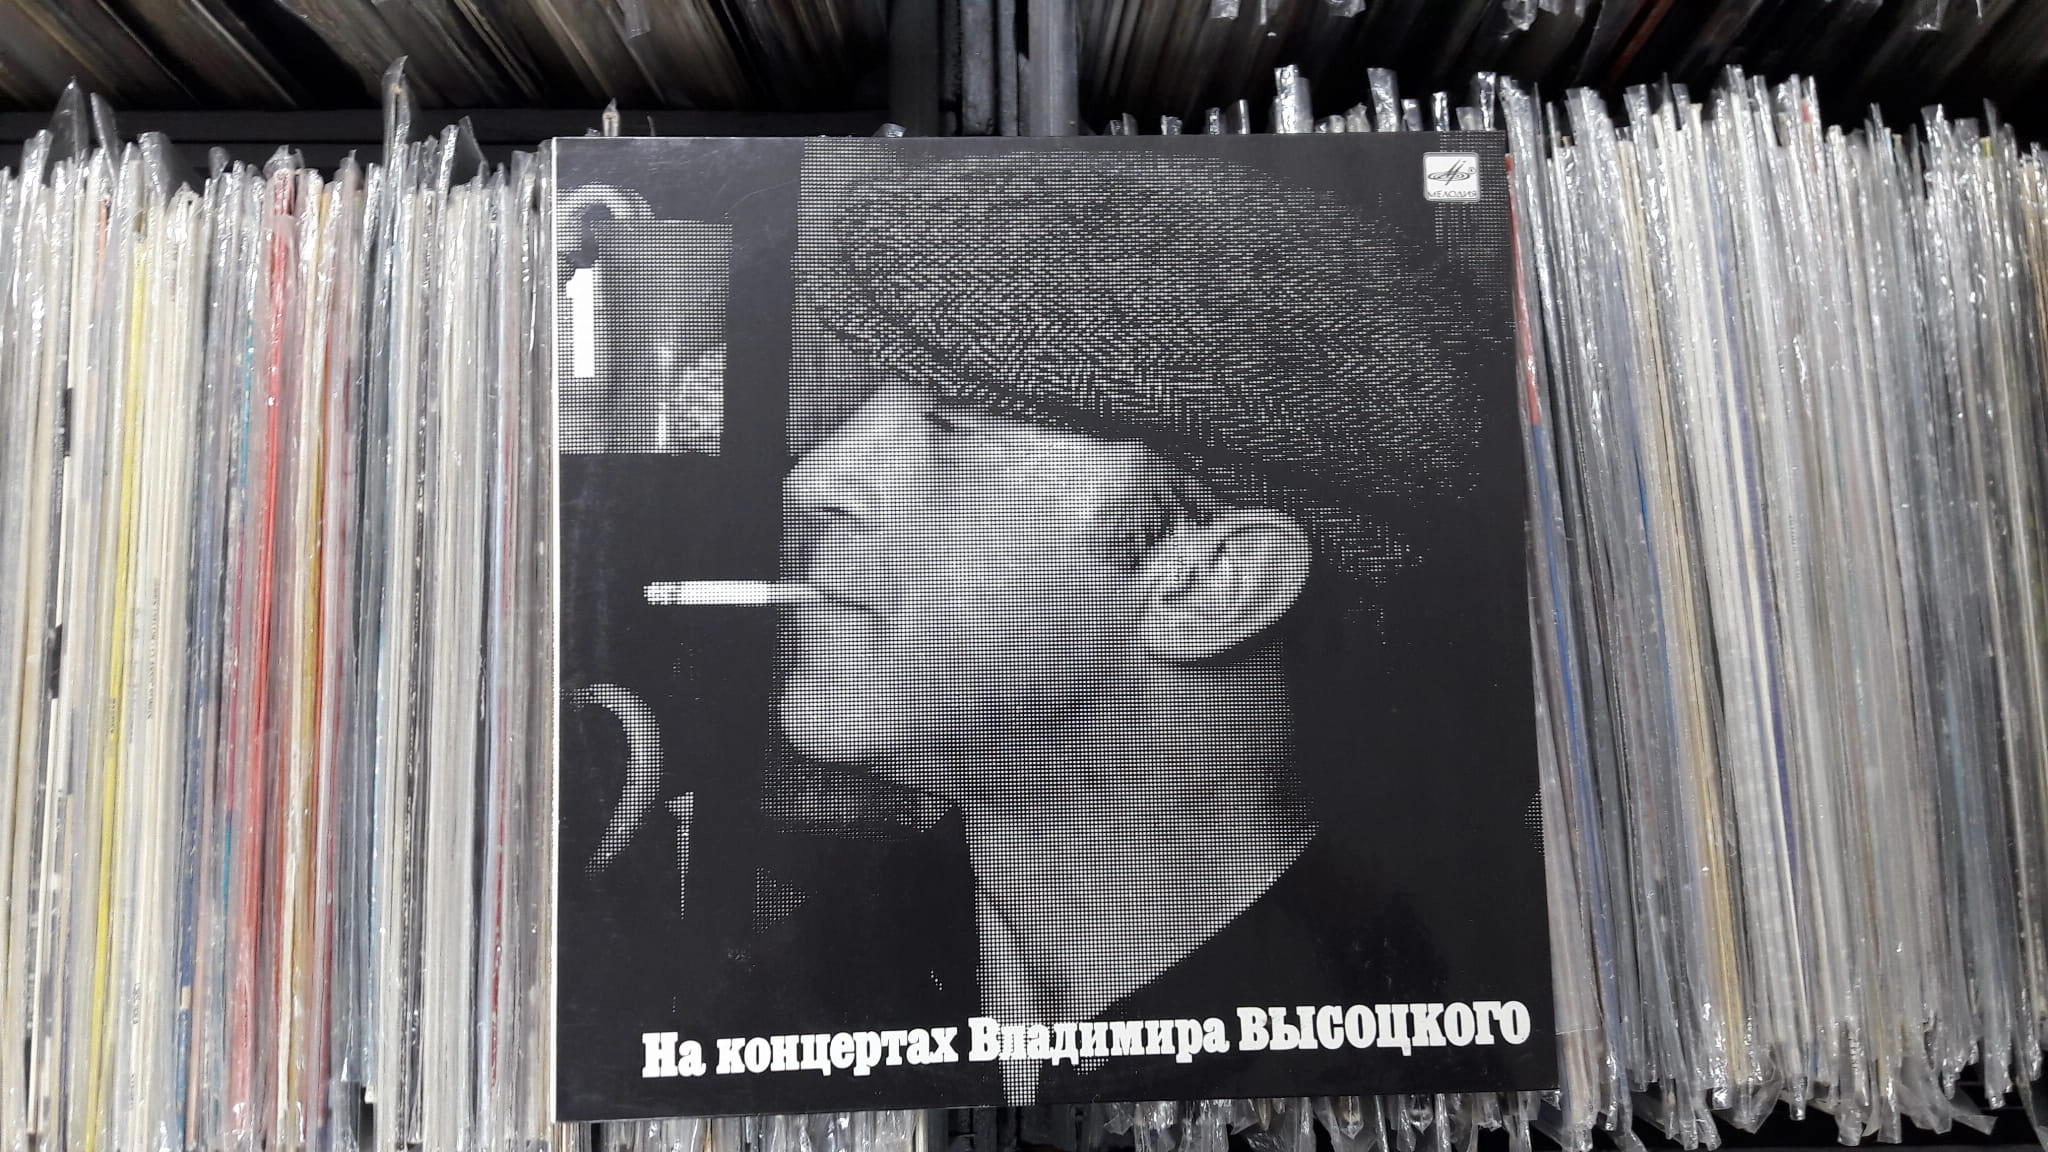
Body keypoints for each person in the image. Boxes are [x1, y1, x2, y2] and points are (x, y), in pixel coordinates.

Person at [720, 147, 1501, 1105]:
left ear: (1213, 585)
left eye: (958, 428)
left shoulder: (1409, 1065)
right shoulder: (802, 977)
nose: (815, 482)